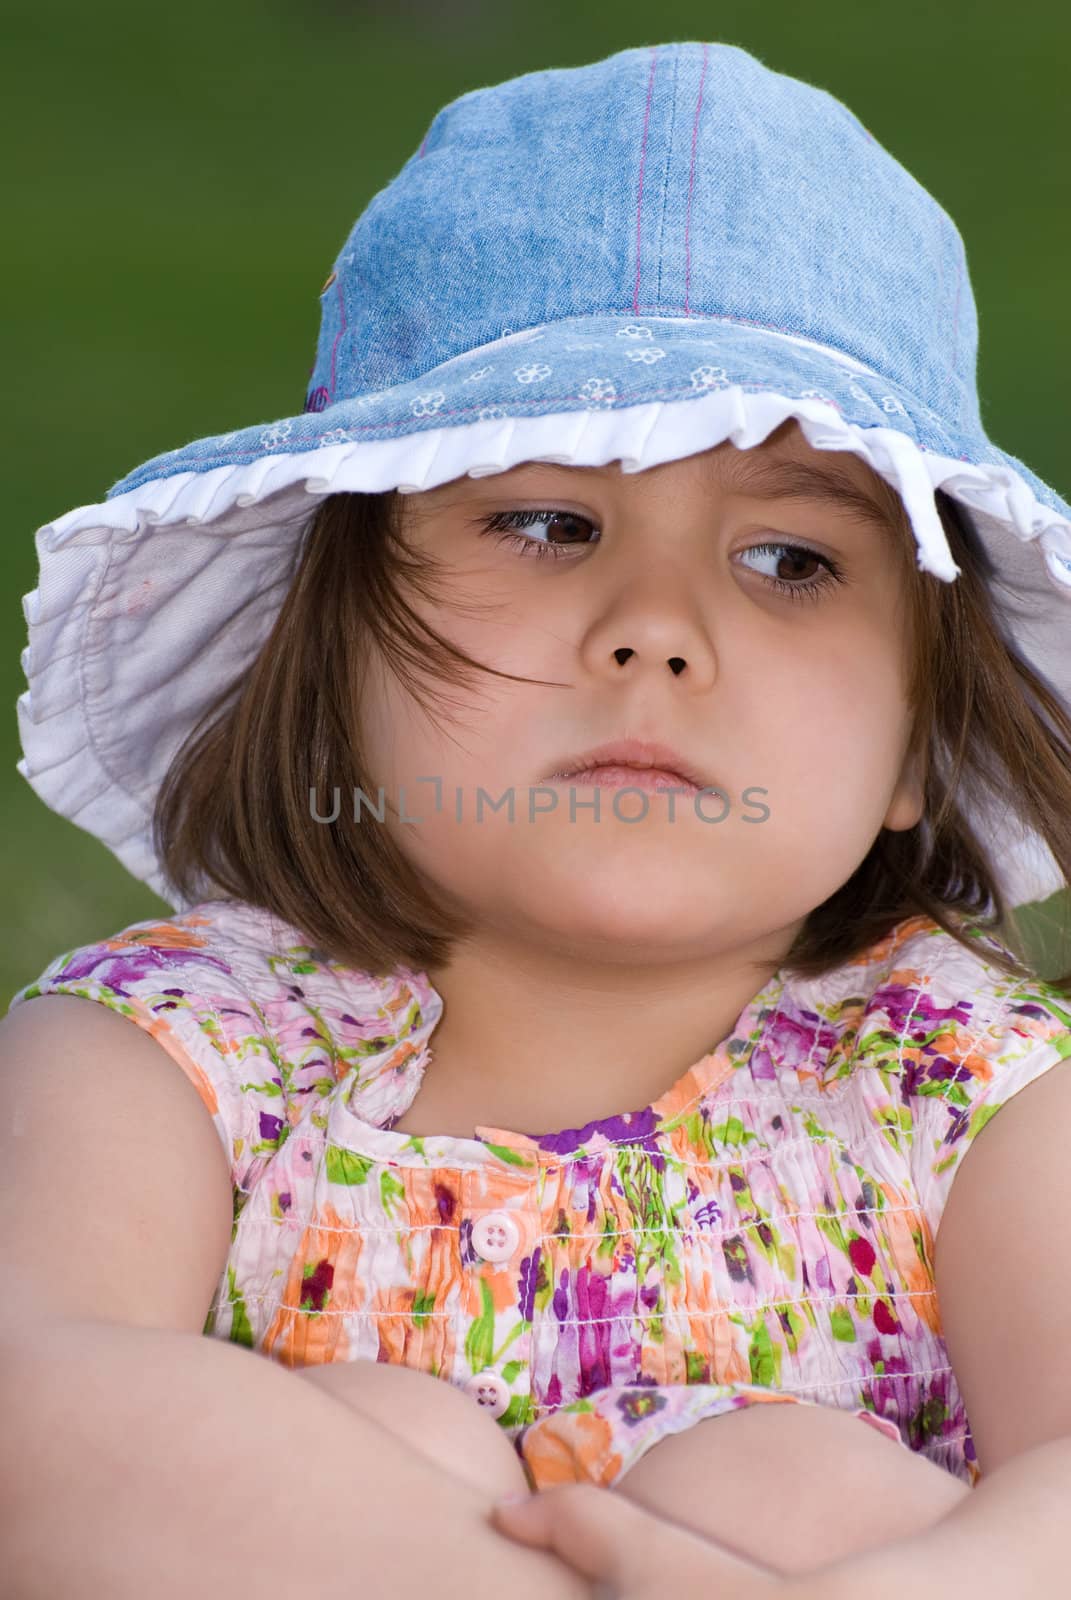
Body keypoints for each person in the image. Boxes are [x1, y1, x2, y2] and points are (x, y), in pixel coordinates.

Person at [5, 38, 1071, 1600]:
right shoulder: (180, 1053)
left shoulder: (964, 1094)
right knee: (347, 1434)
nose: (654, 631)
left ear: (920, 735)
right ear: (337, 655)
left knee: (794, 1488)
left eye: (791, 562)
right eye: (548, 524)